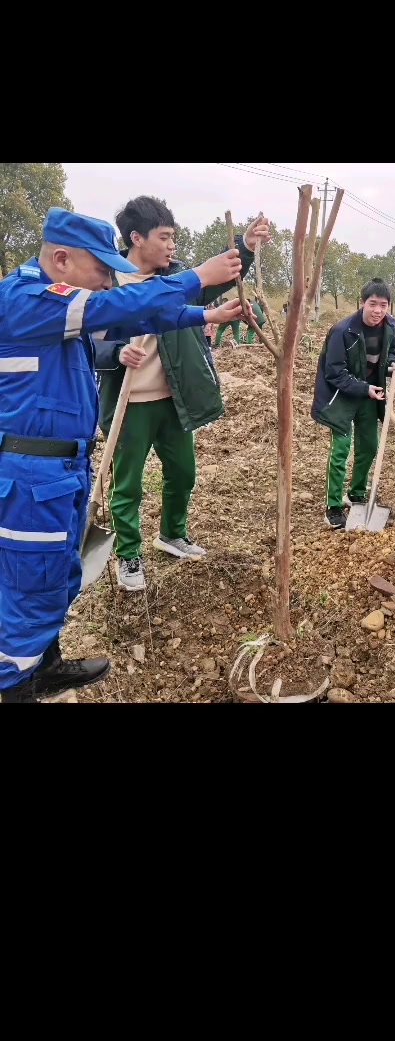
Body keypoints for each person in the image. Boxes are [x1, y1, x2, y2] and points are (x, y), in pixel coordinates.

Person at [0, 208, 247, 703]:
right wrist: (197, 277)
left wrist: (204, 313)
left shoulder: (61, 303)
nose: (108, 279)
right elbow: (115, 308)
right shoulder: (25, 298)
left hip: (59, 468)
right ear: (63, 259)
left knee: (59, 574)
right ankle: (13, 685)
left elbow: (136, 313)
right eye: (101, 269)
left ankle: (42, 666)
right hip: (30, 475)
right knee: (31, 585)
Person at [94, 197, 269, 592]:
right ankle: (129, 554)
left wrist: (247, 245)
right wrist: (116, 351)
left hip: (172, 400)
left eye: (174, 237)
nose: (172, 245)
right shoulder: (109, 282)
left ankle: (172, 533)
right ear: (136, 238)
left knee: (183, 472)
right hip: (129, 404)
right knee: (129, 485)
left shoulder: (174, 280)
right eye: (165, 237)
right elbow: (88, 340)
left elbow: (215, 278)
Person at [311, 278, 395, 529]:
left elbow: (392, 351)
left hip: (369, 397)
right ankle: (333, 505)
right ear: (362, 303)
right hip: (341, 396)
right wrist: (364, 388)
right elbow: (334, 372)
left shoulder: (391, 327)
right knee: (340, 450)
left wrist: (392, 365)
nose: (378, 310)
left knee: (369, 446)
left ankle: (357, 492)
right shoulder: (343, 330)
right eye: (373, 304)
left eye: (383, 305)